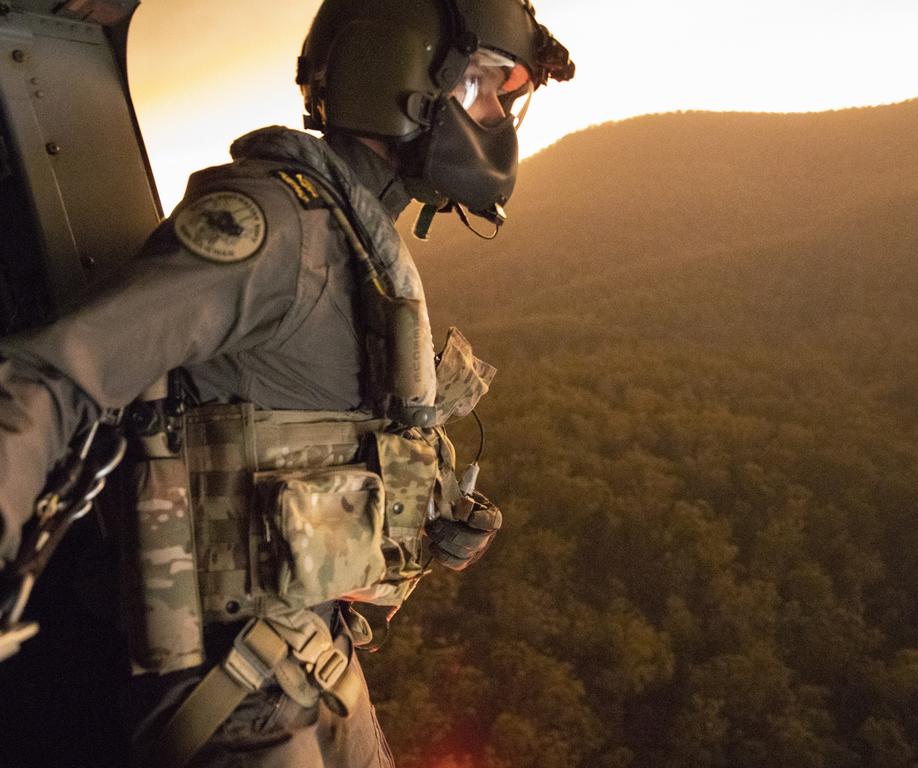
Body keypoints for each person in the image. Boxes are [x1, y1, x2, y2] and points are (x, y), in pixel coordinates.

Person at [0, 0, 573, 766]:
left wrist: (425, 518)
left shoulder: (355, 242)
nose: (496, 116)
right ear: (400, 72)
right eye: (483, 86)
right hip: (234, 695)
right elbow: (54, 372)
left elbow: (308, 453)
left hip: (314, 659)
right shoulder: (273, 230)